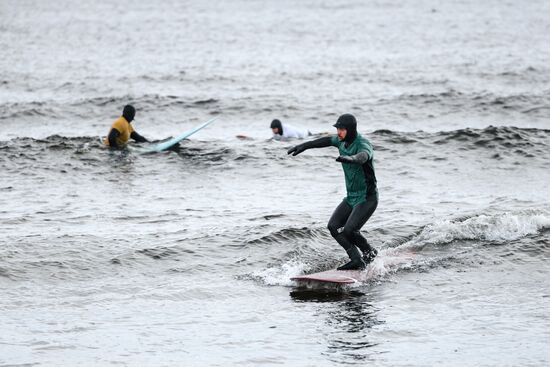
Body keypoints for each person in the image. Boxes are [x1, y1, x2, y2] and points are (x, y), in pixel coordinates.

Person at [287, 113, 378, 270]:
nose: (339, 132)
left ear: (350, 130)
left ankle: (369, 252)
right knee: (334, 226)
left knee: (350, 230)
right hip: (351, 197)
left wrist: (352, 159)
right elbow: (326, 141)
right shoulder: (341, 142)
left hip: (367, 197)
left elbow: (364, 156)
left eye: (342, 129)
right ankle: (356, 258)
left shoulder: (363, 143)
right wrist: (305, 145)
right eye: (338, 129)